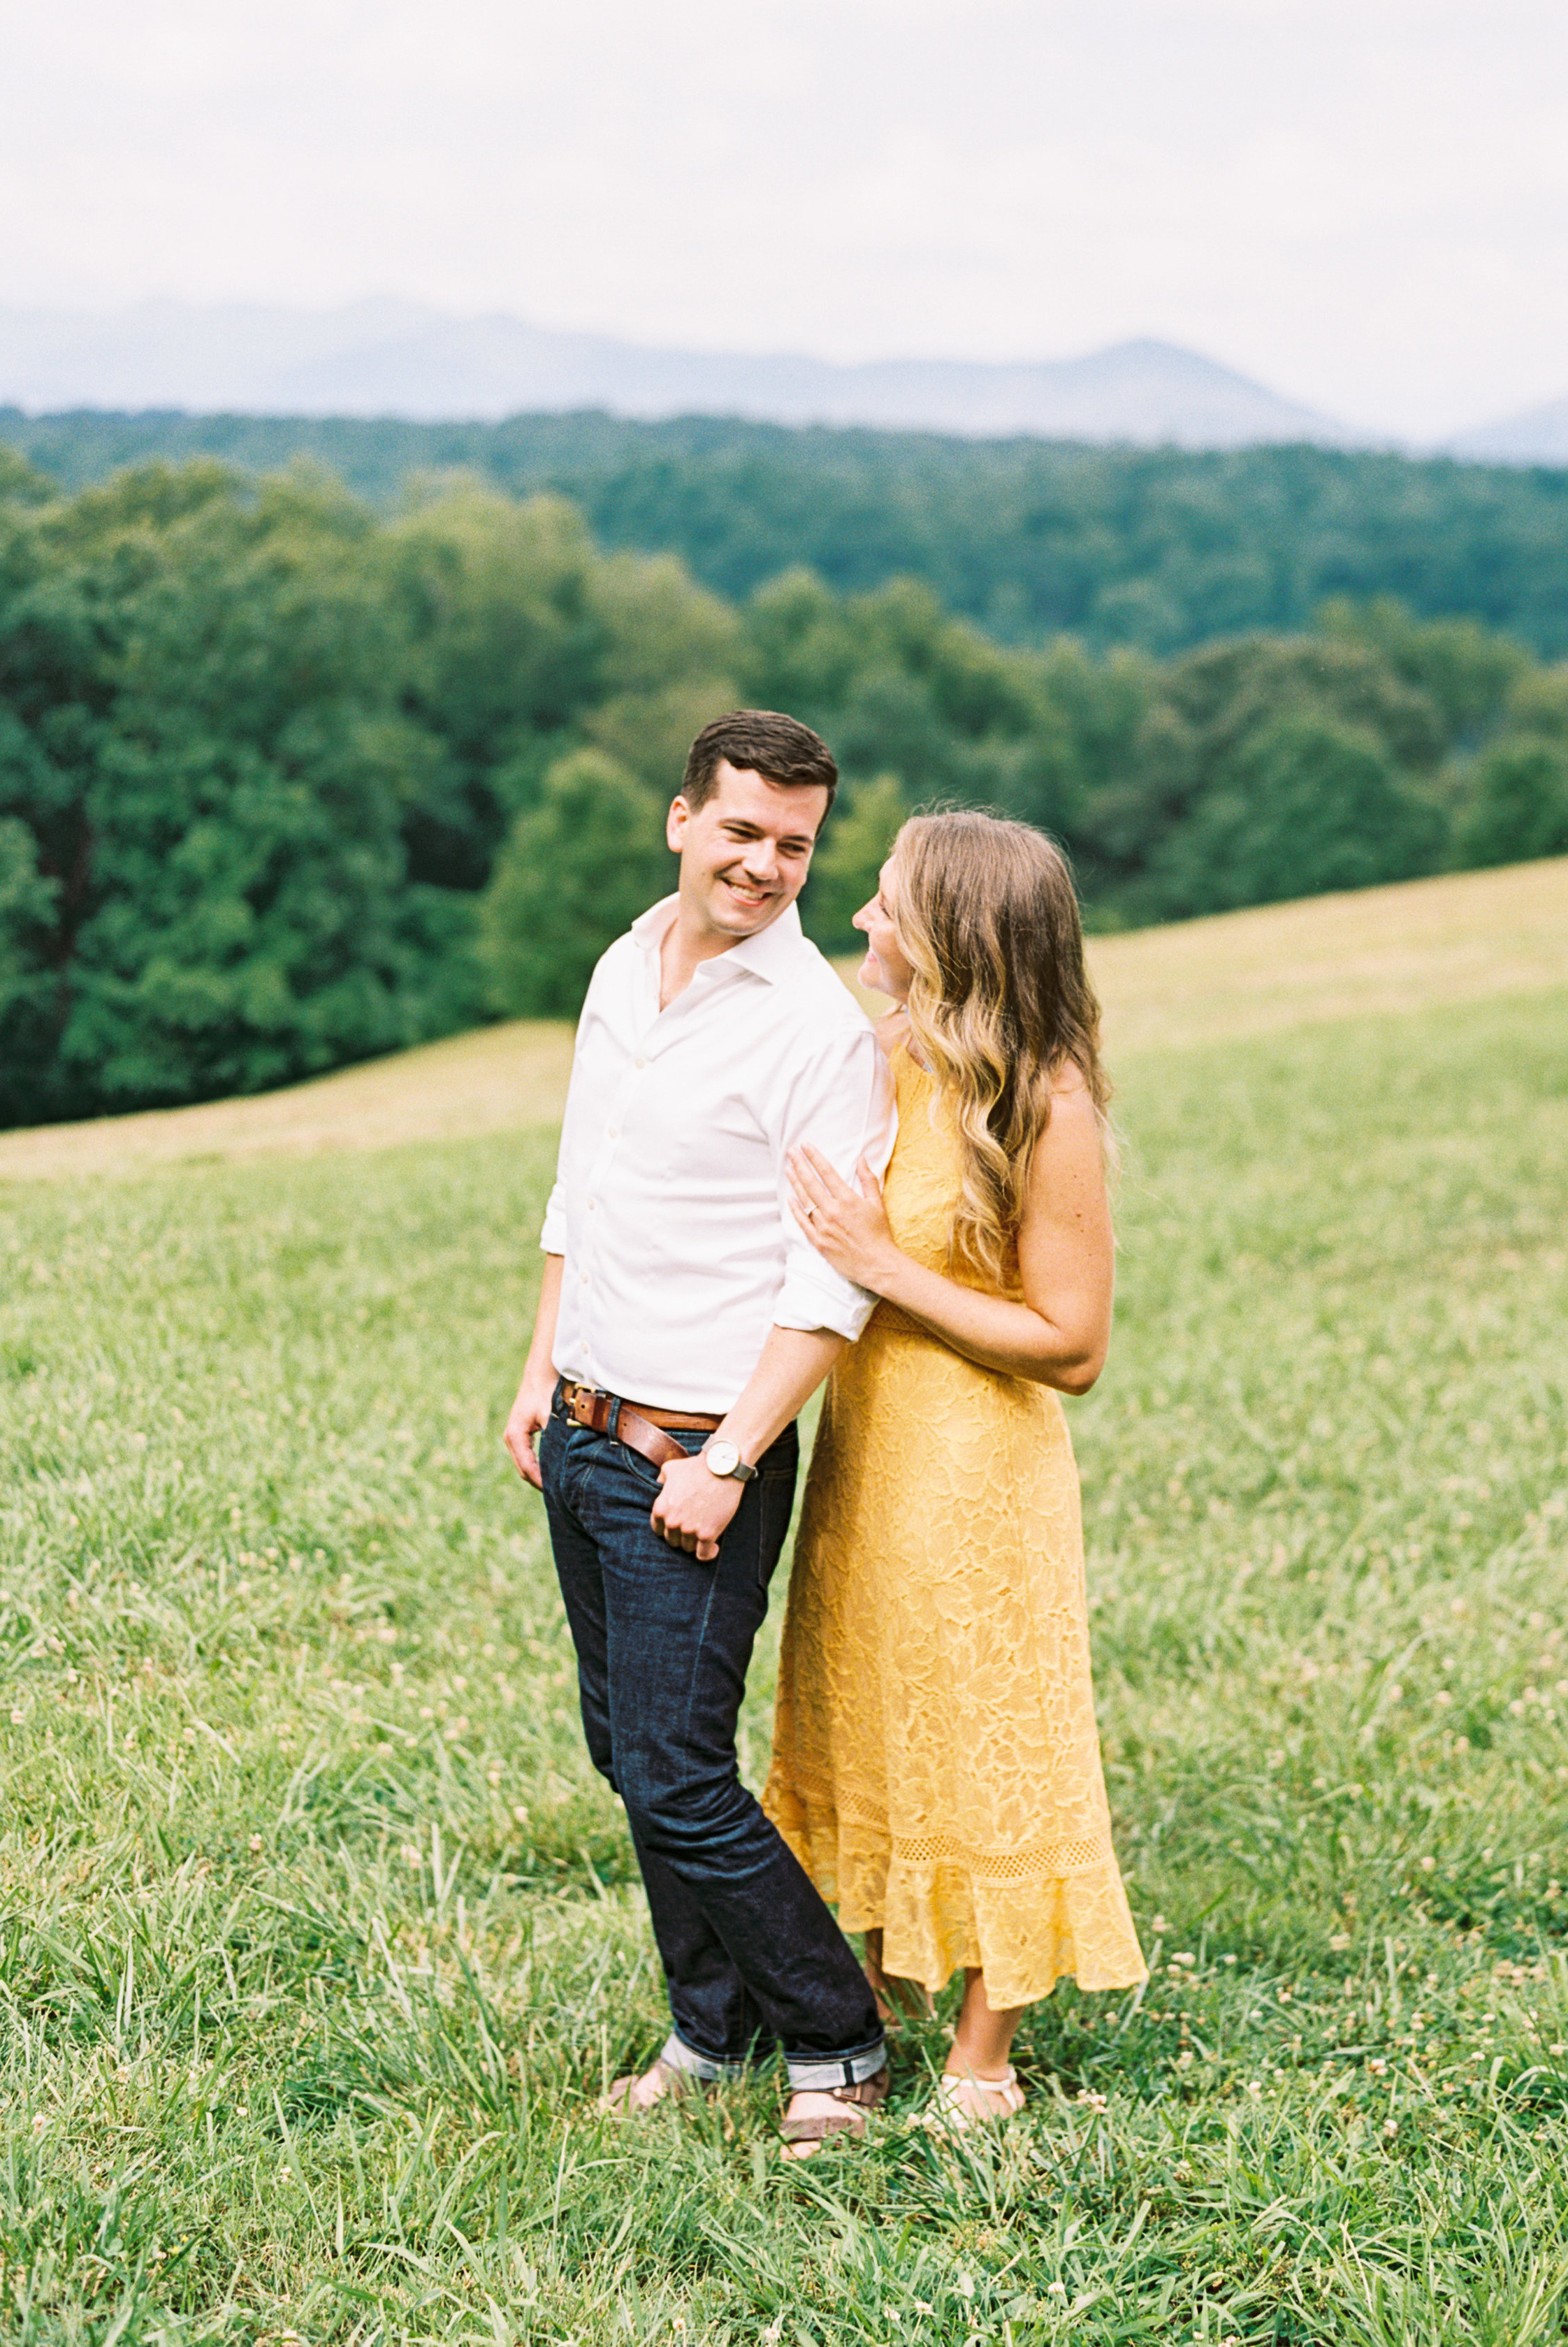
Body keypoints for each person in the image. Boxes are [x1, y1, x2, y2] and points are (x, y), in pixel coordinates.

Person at [502, 709, 899, 2155]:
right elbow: (579, 1186)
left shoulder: (814, 1030)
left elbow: (828, 1275)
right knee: (629, 1750)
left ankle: (838, 2041)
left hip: (695, 1450)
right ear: (681, 819)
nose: (766, 864)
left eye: (793, 844)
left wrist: (728, 1458)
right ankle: (706, 2033)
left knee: (678, 1765)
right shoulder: (622, 966)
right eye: (740, 831)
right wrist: (543, 1367)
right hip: (585, 1427)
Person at [766, 809, 1147, 2128]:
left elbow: (1074, 1344)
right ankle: (883, 1981)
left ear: (957, 933)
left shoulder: (1046, 1100)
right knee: (868, 1708)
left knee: (992, 1738)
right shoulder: (885, 1058)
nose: (863, 920)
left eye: (885, 900)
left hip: (979, 1470)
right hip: (866, 1452)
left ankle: (986, 2054)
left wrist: (885, 1267)